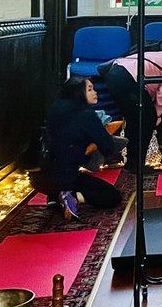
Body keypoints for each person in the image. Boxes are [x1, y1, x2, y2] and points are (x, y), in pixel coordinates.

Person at [32, 78, 124, 219]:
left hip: (38, 177)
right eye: (89, 89)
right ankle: (71, 196)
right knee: (113, 197)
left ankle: (54, 197)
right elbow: (108, 148)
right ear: (78, 93)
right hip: (66, 176)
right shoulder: (86, 115)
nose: (95, 92)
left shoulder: (55, 108)